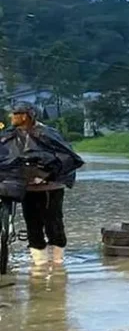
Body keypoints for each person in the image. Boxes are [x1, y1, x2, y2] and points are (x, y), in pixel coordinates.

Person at [5, 103, 80, 266]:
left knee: (53, 223)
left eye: (14, 114)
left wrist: (47, 174)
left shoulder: (48, 134)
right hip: (27, 187)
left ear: (25, 116)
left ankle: (58, 263)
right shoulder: (10, 135)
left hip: (50, 187)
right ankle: (39, 265)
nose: (11, 117)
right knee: (32, 223)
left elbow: (65, 157)